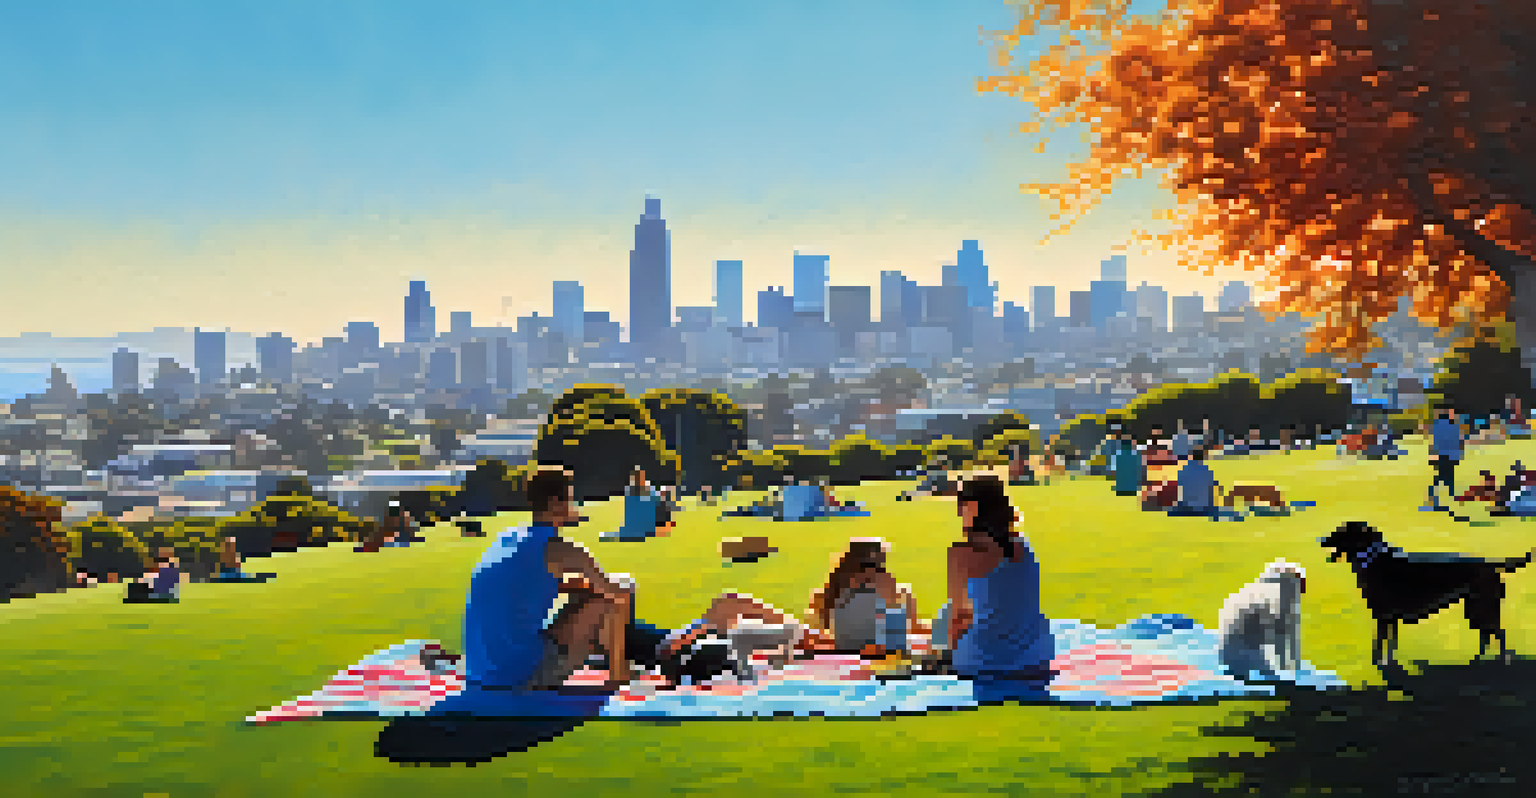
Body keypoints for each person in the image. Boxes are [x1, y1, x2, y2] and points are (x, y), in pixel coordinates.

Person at [462, 465, 810, 691]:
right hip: (519, 675)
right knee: (620, 590)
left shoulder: (506, 538)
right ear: (556, 503)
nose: (575, 504)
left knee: (599, 594)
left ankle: (618, 660)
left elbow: (532, 584)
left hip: (484, 670)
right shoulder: (562, 548)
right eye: (570, 499)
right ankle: (618, 674)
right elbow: (615, 593)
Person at [944, 474, 1054, 683]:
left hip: (984, 661)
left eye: (960, 506)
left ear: (972, 508)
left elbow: (958, 616)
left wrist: (949, 656)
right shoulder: (1022, 545)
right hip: (1037, 656)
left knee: (946, 615)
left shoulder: (961, 553)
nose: (958, 513)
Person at [805, 538, 920, 653]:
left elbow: (822, 636)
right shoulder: (895, 593)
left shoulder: (827, 594)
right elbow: (898, 641)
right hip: (880, 659)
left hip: (845, 658)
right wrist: (893, 599)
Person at [1426, 406, 1464, 511]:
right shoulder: (1453, 427)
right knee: (1447, 478)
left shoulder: (1437, 426)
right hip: (1450, 456)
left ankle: (1435, 498)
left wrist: (1432, 455)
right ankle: (1448, 499)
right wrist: (1459, 455)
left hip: (1440, 455)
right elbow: (1459, 442)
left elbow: (1434, 442)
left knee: (1442, 477)